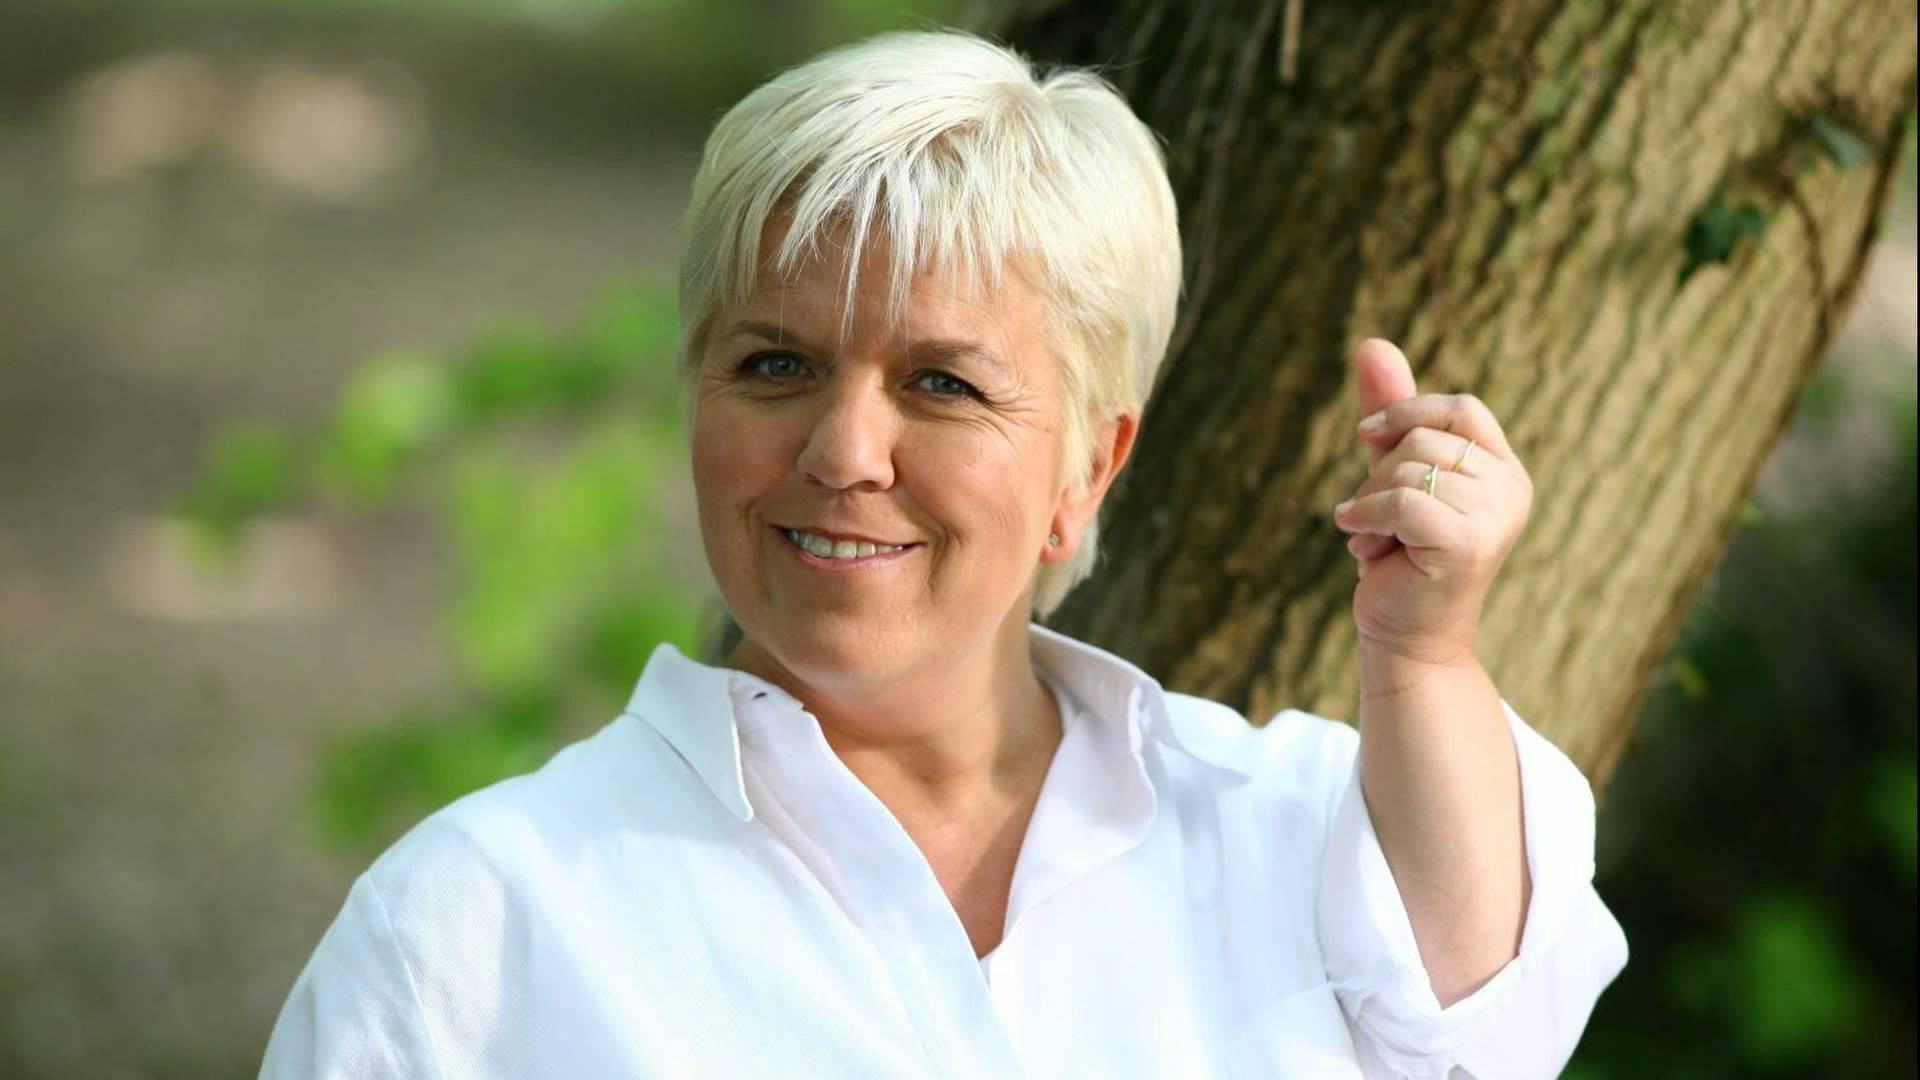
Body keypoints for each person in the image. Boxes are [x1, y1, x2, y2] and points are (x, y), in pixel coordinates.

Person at [260, 28, 1626, 1079]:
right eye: (776, 363)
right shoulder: (477, 928)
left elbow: (1490, 1028)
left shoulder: (1290, 832)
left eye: (942, 384)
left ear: (1089, 467)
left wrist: (1424, 653)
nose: (844, 449)